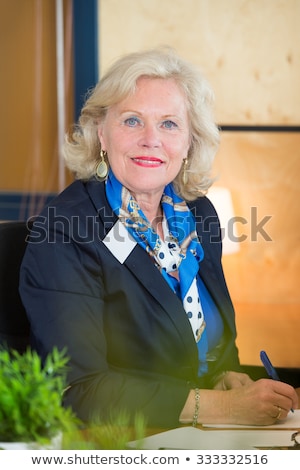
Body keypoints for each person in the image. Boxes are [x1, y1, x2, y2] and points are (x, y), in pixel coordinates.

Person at [19, 47, 298, 428]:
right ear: (102, 133)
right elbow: (77, 390)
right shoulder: (66, 231)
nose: (151, 139)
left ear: (189, 142)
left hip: (199, 437)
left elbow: (203, 344)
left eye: (169, 124)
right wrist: (217, 407)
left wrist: (223, 378)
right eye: (132, 121)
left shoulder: (197, 215)